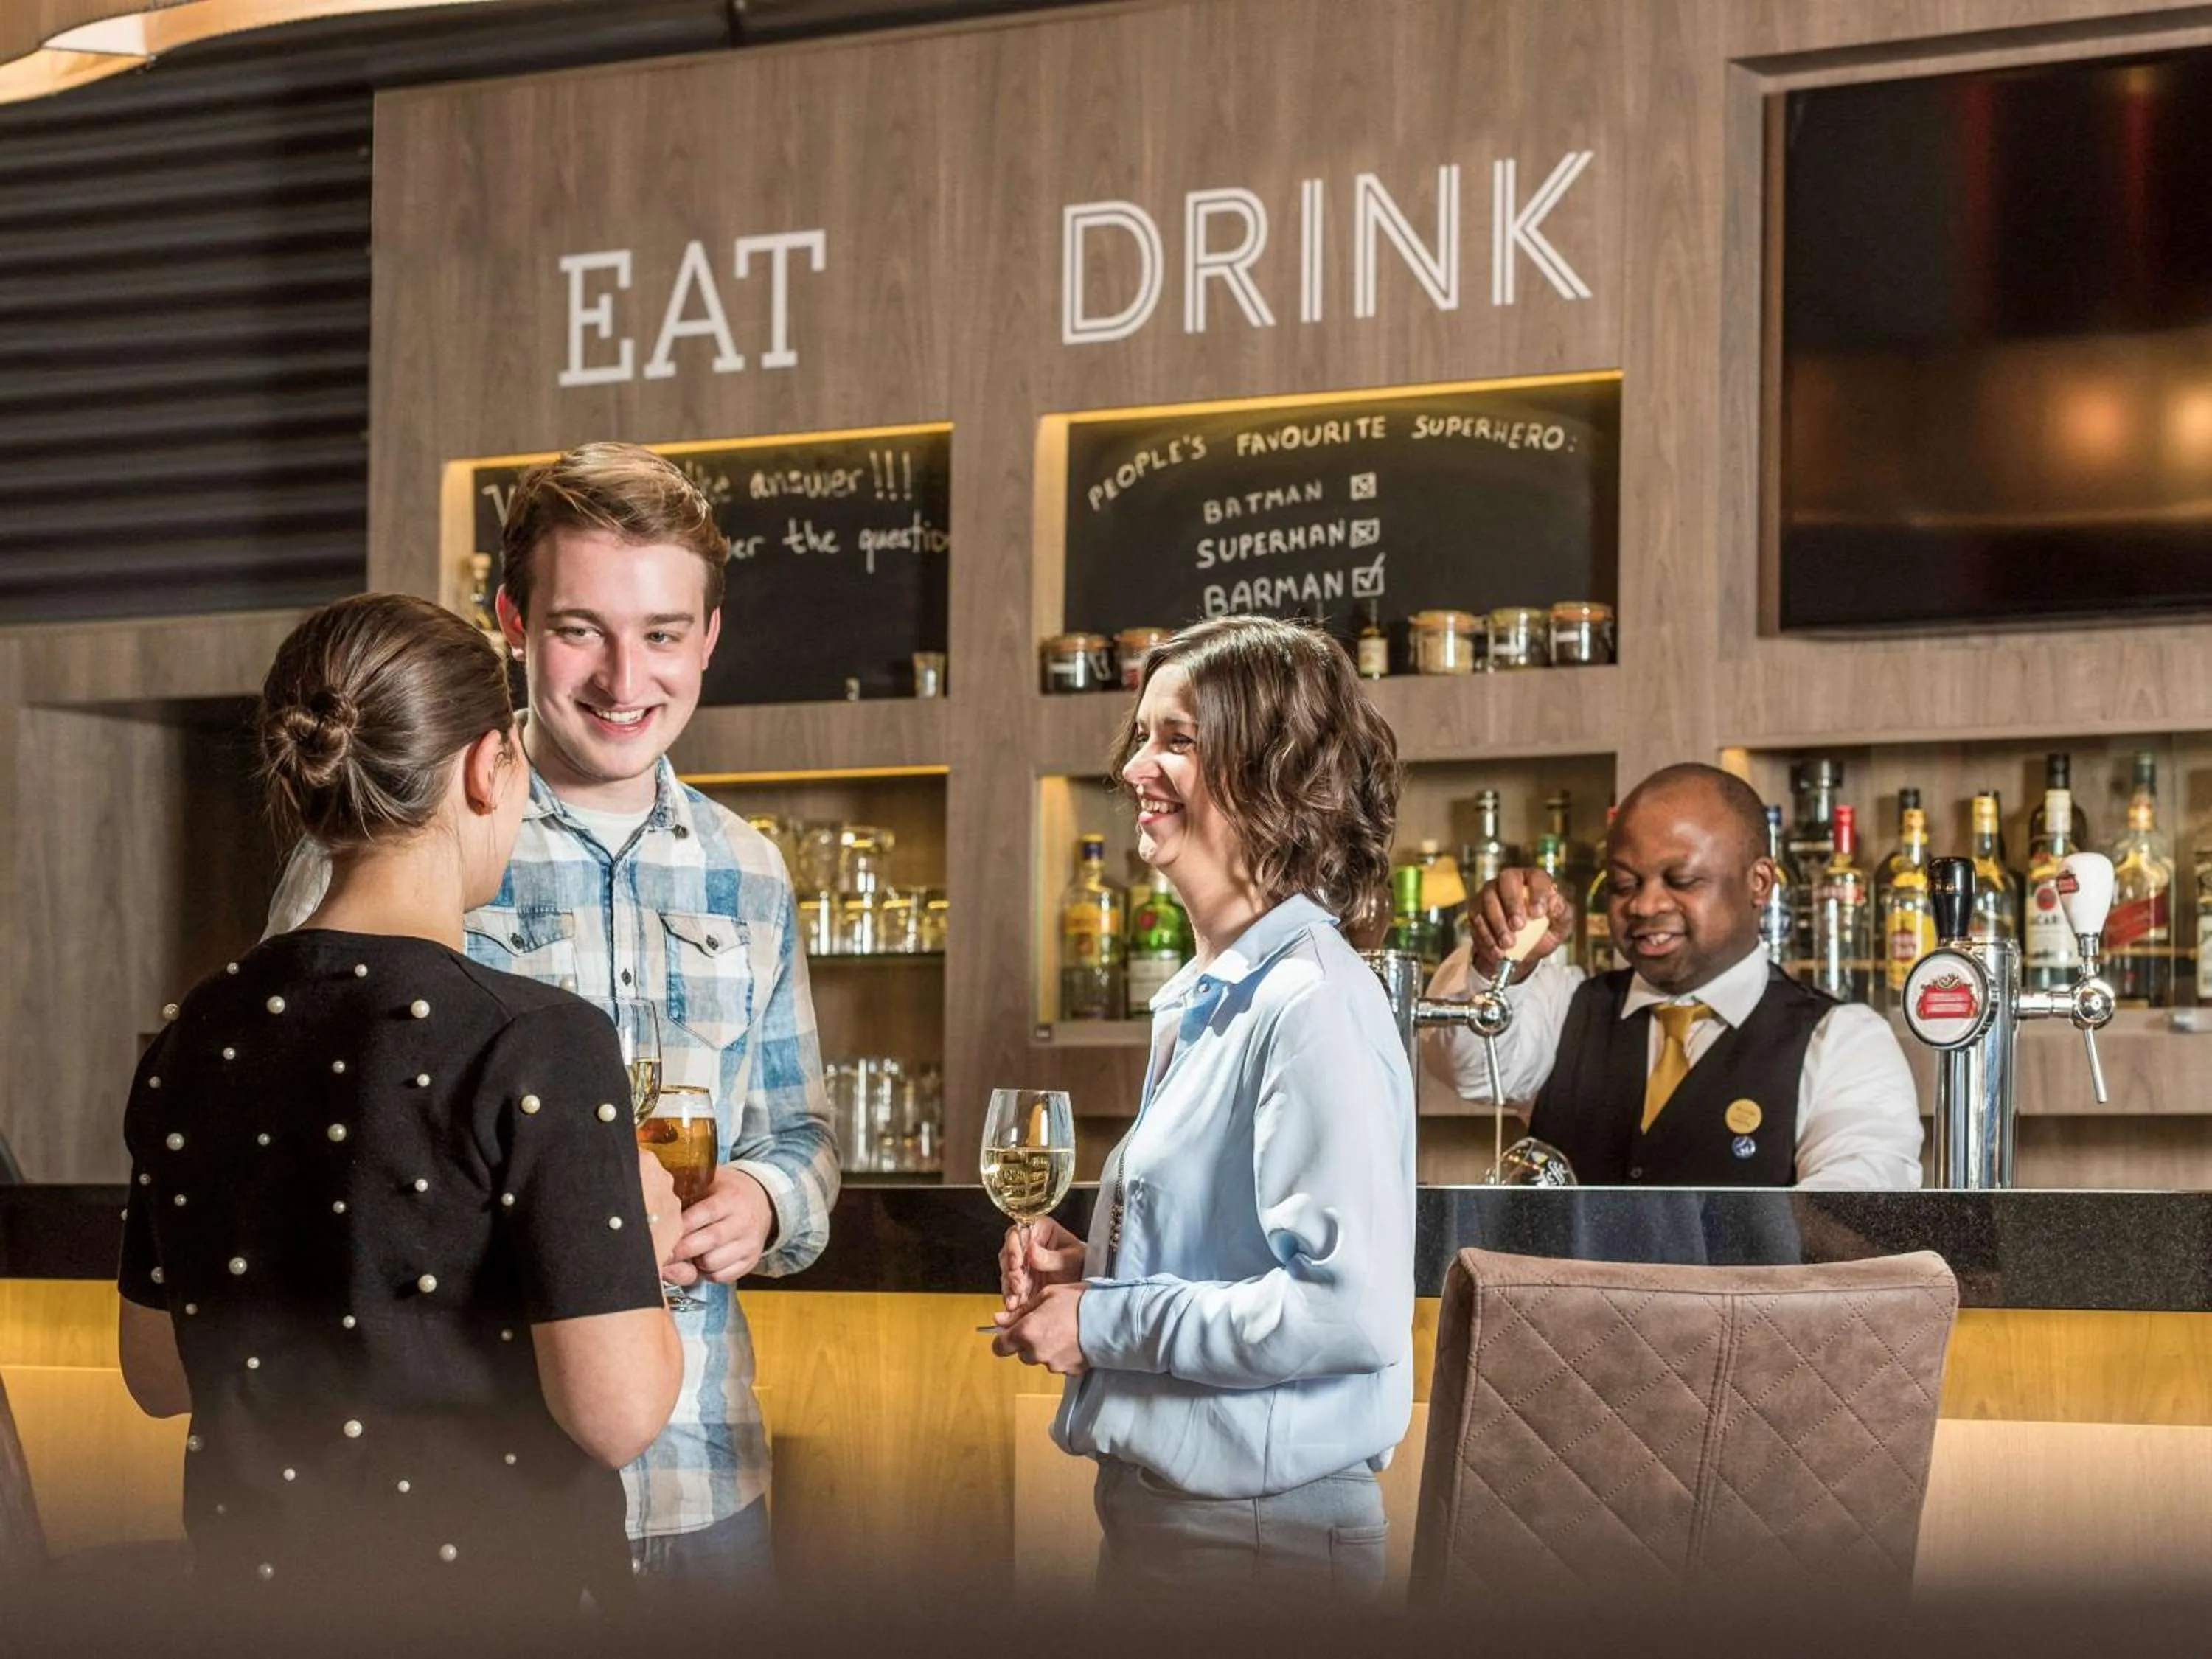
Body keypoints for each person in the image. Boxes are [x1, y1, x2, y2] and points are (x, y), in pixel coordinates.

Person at [264, 442, 838, 1594]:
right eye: (583, 628)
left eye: (665, 633)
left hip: (703, 1481)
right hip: (475, 1491)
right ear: (510, 622)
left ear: (710, 636)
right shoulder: (389, 845)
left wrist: (767, 1202)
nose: (628, 675)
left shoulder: (750, 868)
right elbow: (295, 1157)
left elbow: (805, 1133)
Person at [119, 593, 684, 1636]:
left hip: (254, 1604)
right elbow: (617, 1416)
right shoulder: (538, 1038)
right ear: (488, 765)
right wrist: (634, 1237)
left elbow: (156, 1374)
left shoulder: (192, 1032)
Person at [992, 614, 1416, 1599]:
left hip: (1259, 1545)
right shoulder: (1215, 991)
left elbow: (1343, 1313)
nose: (1137, 767)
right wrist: (1092, 1268)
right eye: (1143, 736)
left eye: (1177, 740)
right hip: (1181, 1528)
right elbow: (1231, 1255)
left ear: (1282, 777)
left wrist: (1104, 1322)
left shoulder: (1312, 1003)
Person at [1425, 762, 1922, 1187]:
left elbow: (1852, 1204)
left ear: (1759, 883)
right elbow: (1464, 1064)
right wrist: (1498, 963)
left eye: (1681, 881)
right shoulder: (1565, 1007)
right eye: (1623, 884)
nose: (1645, 904)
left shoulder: (1843, 1043)